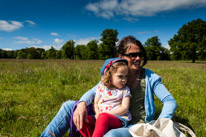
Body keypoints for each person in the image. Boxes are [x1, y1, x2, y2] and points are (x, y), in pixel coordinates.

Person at [41, 35, 177, 137]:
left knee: (111, 136)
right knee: (69, 106)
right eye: (132, 55)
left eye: (140, 54)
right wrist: (82, 104)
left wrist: (158, 125)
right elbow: (93, 92)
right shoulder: (113, 73)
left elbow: (169, 101)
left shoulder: (150, 77)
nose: (138, 58)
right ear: (120, 56)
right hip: (104, 117)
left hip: (133, 124)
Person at [79, 58, 132, 137]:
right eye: (120, 76)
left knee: (103, 118)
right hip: (100, 117)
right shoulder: (102, 87)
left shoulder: (124, 90)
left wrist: (105, 114)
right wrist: (97, 113)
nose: (124, 80)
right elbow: (96, 102)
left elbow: (124, 108)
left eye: (126, 76)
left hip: (118, 118)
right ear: (110, 76)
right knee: (82, 118)